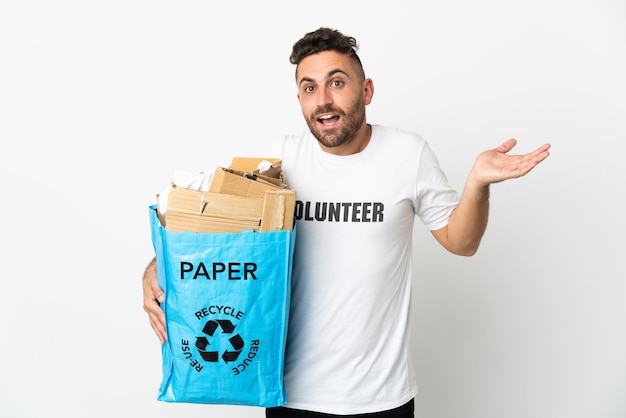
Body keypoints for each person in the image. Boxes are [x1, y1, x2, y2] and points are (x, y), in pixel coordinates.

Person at [143, 27, 551, 418]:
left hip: (382, 398)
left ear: (367, 90)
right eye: (309, 88)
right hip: (289, 394)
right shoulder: (280, 162)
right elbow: (214, 231)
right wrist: (154, 267)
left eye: (336, 83)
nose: (323, 100)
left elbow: (462, 242)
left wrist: (477, 184)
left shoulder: (408, 154)